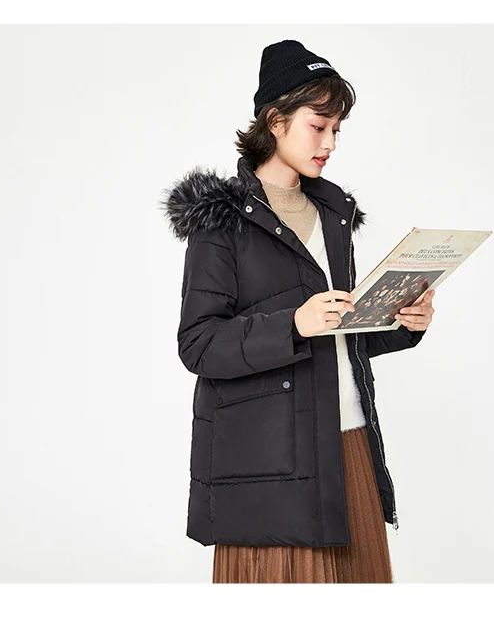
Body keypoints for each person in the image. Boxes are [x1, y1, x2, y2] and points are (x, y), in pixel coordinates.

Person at [160, 39, 435, 583]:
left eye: (337, 130)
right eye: (318, 125)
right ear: (275, 119)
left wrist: (401, 321)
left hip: (349, 444)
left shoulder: (332, 214)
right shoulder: (221, 220)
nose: (329, 142)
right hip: (270, 465)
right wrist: (292, 324)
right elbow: (198, 344)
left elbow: (340, 329)